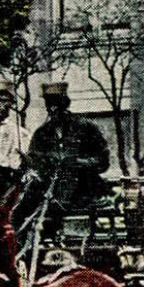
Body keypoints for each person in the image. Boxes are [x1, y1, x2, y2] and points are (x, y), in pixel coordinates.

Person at [18, 81, 111, 237]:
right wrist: (33, 168)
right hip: (50, 191)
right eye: (49, 104)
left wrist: (79, 163)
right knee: (22, 209)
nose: (53, 108)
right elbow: (33, 162)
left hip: (83, 189)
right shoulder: (41, 134)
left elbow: (103, 161)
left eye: (56, 103)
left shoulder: (86, 128)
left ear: (65, 103)